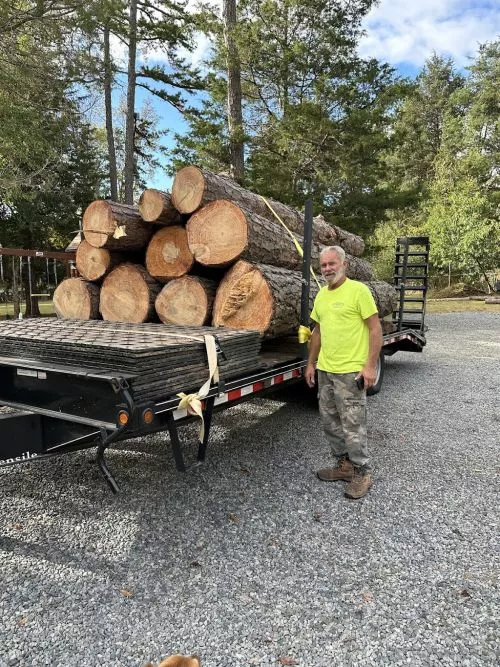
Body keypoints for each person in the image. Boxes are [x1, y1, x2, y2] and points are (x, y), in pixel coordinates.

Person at [305, 246, 383, 499]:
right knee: (330, 422)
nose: (327, 269)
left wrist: (370, 365)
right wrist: (311, 363)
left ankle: (363, 472)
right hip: (326, 370)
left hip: (351, 373)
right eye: (323, 265)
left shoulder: (358, 291)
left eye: (332, 264)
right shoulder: (321, 296)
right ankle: (344, 466)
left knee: (353, 425)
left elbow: (375, 329)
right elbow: (317, 332)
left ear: (344, 264)